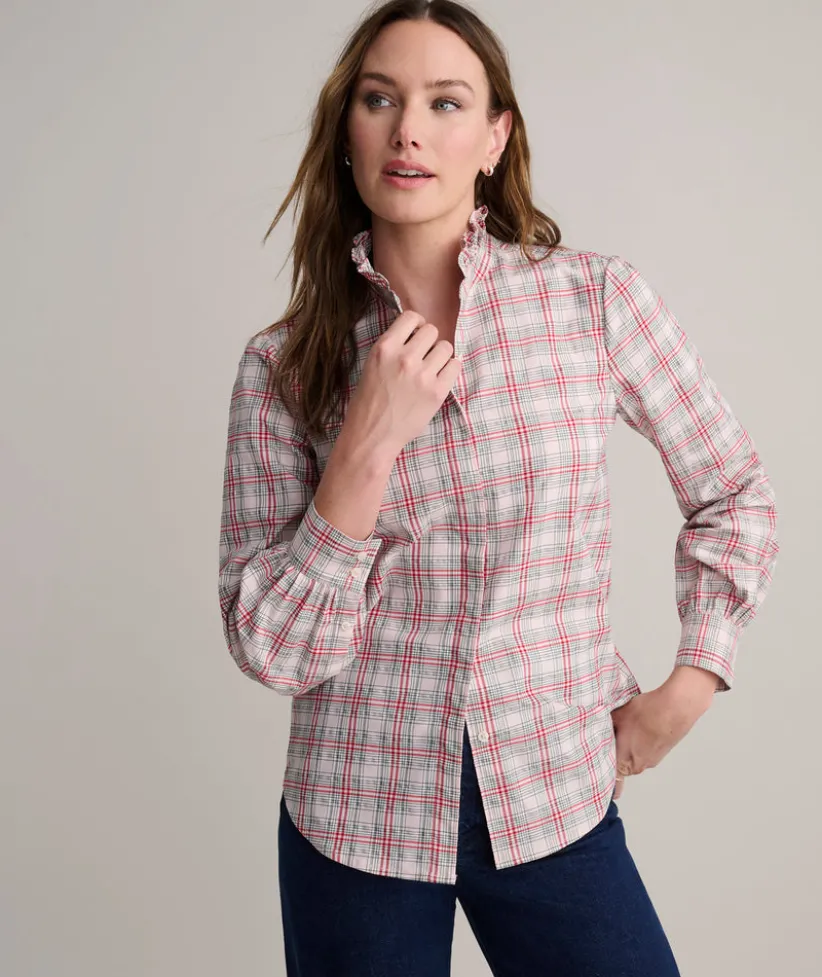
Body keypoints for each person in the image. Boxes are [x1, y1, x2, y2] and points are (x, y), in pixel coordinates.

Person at [217, 2, 779, 974]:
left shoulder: (594, 300)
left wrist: (692, 682)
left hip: (554, 792)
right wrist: (365, 444)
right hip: (355, 815)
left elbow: (734, 489)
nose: (408, 130)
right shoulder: (283, 366)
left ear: (494, 137)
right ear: (346, 132)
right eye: (379, 99)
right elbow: (273, 647)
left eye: (446, 102)